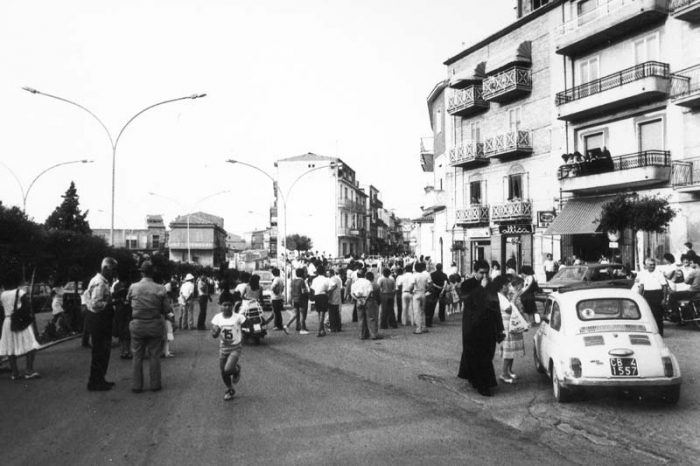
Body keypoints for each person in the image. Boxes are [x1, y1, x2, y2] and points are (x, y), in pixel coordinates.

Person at [457, 260, 505, 397]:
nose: (484, 275)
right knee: (476, 354)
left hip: (488, 325)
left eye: (486, 272)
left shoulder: (491, 286)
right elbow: (467, 300)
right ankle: (482, 385)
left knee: (487, 354)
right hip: (472, 326)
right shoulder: (468, 284)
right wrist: (481, 289)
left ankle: (478, 380)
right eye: (481, 273)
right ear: (474, 272)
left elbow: (496, 307)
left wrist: (500, 328)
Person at [127, 261, 171, 393]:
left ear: (141, 272)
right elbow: (167, 309)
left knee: (137, 356)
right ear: (153, 273)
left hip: (138, 324)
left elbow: (129, 302)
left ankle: (137, 385)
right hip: (154, 324)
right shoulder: (160, 288)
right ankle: (155, 384)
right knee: (154, 355)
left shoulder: (133, 287)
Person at [85, 257, 118, 391]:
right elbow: (96, 304)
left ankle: (100, 379)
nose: (114, 273)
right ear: (105, 268)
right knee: (100, 351)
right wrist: (110, 303)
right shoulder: (100, 283)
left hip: (100, 319)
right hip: (99, 319)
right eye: (112, 269)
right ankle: (95, 381)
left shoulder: (102, 281)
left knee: (103, 351)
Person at [0, 273, 41, 380]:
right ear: (17, 282)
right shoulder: (20, 292)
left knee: (10, 347)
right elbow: (27, 306)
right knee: (31, 345)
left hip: (7, 321)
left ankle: (15, 373)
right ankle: (29, 370)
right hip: (19, 321)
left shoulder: (2, 295)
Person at [211, 291, 247, 401]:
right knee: (223, 372)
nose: (227, 307)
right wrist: (216, 332)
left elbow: (247, 325)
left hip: (235, 348)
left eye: (229, 305)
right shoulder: (217, 318)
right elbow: (214, 335)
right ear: (220, 305)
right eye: (224, 305)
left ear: (233, 305)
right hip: (223, 348)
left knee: (228, 369)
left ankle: (236, 370)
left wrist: (244, 334)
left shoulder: (238, 317)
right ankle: (230, 389)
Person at [498, 275, 526, 384]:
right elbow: (510, 309)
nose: (508, 287)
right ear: (501, 287)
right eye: (506, 285)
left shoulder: (505, 295)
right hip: (507, 325)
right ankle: (504, 373)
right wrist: (515, 296)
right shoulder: (500, 297)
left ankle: (509, 370)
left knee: (512, 349)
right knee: (508, 350)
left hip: (512, 324)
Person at [635, 257, 668, 336]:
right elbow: (641, 287)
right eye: (650, 265)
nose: (652, 266)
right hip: (647, 295)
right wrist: (638, 297)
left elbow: (664, 287)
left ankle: (660, 333)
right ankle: (650, 333)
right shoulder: (643, 274)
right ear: (646, 265)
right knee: (648, 315)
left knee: (658, 315)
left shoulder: (659, 273)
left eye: (653, 265)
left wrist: (664, 299)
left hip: (657, 294)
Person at [351, 269, 381, 340]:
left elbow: (352, 294)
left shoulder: (354, 283)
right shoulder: (367, 282)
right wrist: (365, 299)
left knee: (361, 318)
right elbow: (370, 292)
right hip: (368, 300)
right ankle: (373, 334)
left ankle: (362, 335)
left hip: (358, 300)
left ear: (357, 276)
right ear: (364, 275)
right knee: (370, 318)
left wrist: (357, 299)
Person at [112, 270, 132, 360]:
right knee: (126, 332)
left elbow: (113, 297)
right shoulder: (129, 286)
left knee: (122, 332)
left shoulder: (116, 285)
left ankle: (123, 351)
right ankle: (127, 351)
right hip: (126, 311)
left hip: (119, 311)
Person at [310, 265, 334, 337]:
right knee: (322, 314)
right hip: (324, 296)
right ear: (324, 272)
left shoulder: (314, 280)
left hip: (317, 296)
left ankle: (322, 330)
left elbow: (312, 288)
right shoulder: (327, 279)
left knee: (319, 314)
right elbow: (334, 285)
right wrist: (328, 291)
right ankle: (319, 331)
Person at [288, 268, 310, 334]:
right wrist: (308, 293)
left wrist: (290, 299)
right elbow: (303, 291)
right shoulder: (301, 281)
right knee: (302, 315)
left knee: (297, 314)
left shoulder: (293, 281)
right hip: (301, 299)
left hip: (295, 299)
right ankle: (302, 329)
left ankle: (297, 326)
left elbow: (291, 291)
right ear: (302, 273)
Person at [412, 261, 431, 334]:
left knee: (416, 311)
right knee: (422, 311)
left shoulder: (414, 275)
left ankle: (418, 328)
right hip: (423, 293)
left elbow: (412, 285)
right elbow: (430, 284)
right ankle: (424, 327)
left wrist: (411, 290)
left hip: (416, 293)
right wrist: (426, 290)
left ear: (416, 269)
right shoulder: (425, 275)